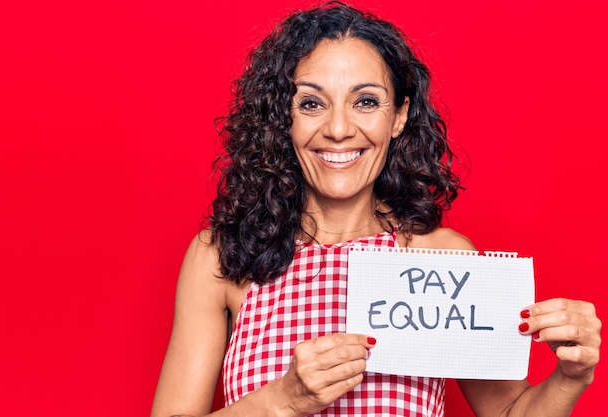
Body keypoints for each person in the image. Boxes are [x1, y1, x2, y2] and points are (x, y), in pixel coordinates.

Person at [150, 2, 601, 416]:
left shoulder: (440, 257)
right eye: (311, 103)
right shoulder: (219, 257)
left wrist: (571, 377)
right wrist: (280, 401)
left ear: (399, 115)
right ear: (282, 118)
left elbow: (509, 413)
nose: (340, 128)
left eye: (365, 101)